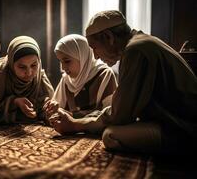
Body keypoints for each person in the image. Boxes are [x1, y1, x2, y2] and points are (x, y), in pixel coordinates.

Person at [50, 10, 197, 154]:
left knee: (111, 135)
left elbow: (120, 115)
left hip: (182, 127)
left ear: (108, 37)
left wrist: (76, 125)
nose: (95, 55)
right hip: (178, 121)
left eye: (94, 47)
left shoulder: (135, 50)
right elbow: (121, 107)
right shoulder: (140, 43)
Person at [0, 36, 54, 125]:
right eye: (22, 67)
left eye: (34, 65)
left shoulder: (39, 77)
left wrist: (49, 108)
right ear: (11, 63)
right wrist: (13, 102)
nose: (29, 73)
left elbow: (44, 108)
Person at [47, 34, 117, 130]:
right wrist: (53, 110)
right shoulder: (66, 79)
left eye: (67, 61)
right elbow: (57, 112)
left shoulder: (104, 75)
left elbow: (110, 115)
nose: (63, 68)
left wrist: (73, 116)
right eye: (60, 62)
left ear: (82, 56)